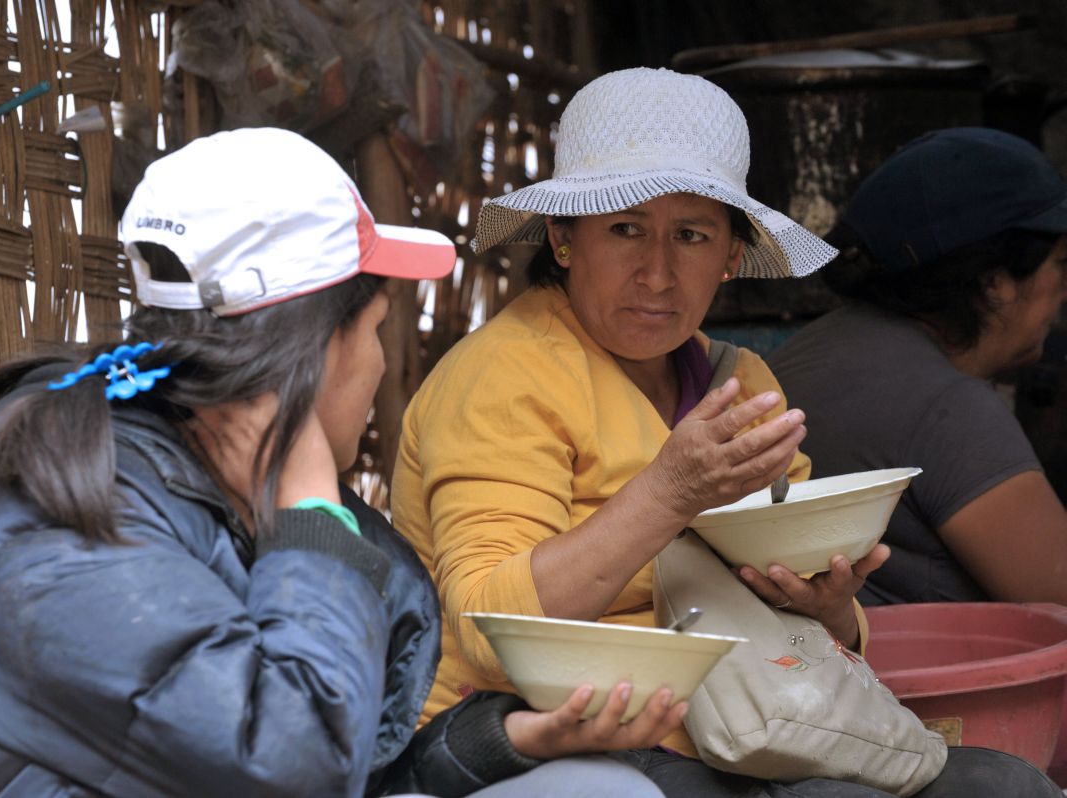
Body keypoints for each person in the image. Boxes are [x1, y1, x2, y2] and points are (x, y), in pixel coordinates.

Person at [0, 128, 680, 797]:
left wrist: (509, 738)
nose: (380, 369)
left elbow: (343, 749)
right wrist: (311, 514)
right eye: (371, 335)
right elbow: (286, 766)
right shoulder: (58, 517)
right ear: (313, 353)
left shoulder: (201, 464)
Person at [390, 71, 1062, 796]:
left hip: (742, 720)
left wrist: (830, 604)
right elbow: (491, 631)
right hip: (555, 738)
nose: (657, 273)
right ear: (562, 239)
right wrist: (670, 493)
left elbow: (813, 628)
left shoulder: (737, 382)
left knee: (1006, 783)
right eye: (624, 230)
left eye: (691, 236)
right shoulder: (505, 376)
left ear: (731, 257)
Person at [768, 127, 1067, 607]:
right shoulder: (949, 408)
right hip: (906, 678)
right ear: (996, 284)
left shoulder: (815, 346)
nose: (1063, 292)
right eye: (1061, 265)